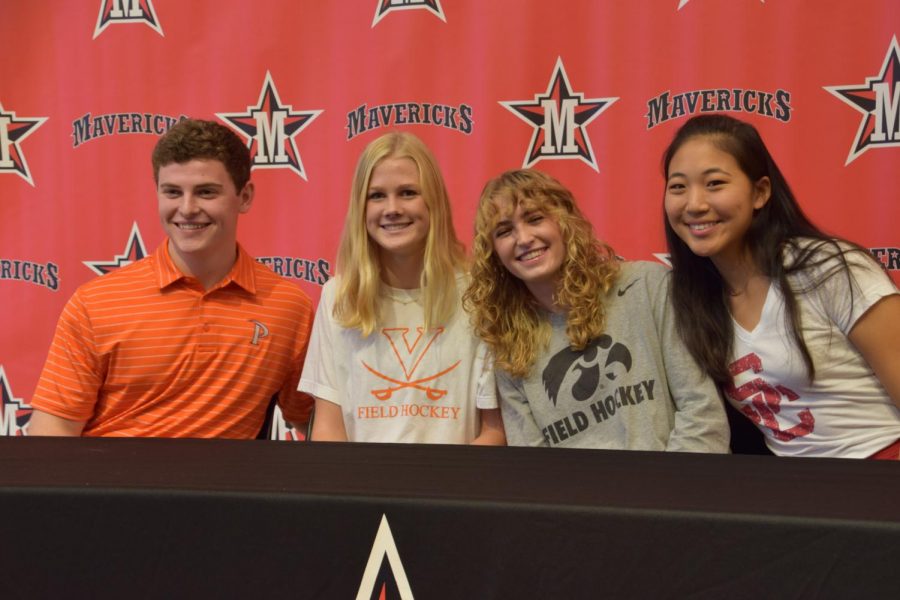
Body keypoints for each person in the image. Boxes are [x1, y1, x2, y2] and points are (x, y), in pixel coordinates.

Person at [29, 118, 314, 438]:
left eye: (206, 192)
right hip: (108, 485)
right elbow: (52, 431)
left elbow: (315, 424)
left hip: (228, 487)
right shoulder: (95, 304)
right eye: (173, 192)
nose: (187, 208)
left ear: (244, 197)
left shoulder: (289, 308)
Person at [662, 113, 900, 459]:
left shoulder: (831, 269)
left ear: (760, 192)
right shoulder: (692, 300)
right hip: (790, 496)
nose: (695, 204)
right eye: (678, 187)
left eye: (715, 183)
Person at [463, 169, 729, 452]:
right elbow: (533, 468)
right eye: (504, 231)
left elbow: (702, 416)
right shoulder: (508, 346)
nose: (524, 238)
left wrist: (661, 493)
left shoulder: (647, 286)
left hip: (672, 488)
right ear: (493, 251)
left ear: (564, 220)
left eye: (535, 218)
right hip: (571, 496)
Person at [299, 132, 505, 444]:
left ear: (434, 201)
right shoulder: (337, 297)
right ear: (361, 207)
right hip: (360, 490)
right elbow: (328, 430)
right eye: (377, 195)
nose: (392, 208)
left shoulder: (479, 294)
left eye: (408, 193)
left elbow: (494, 433)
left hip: (454, 488)